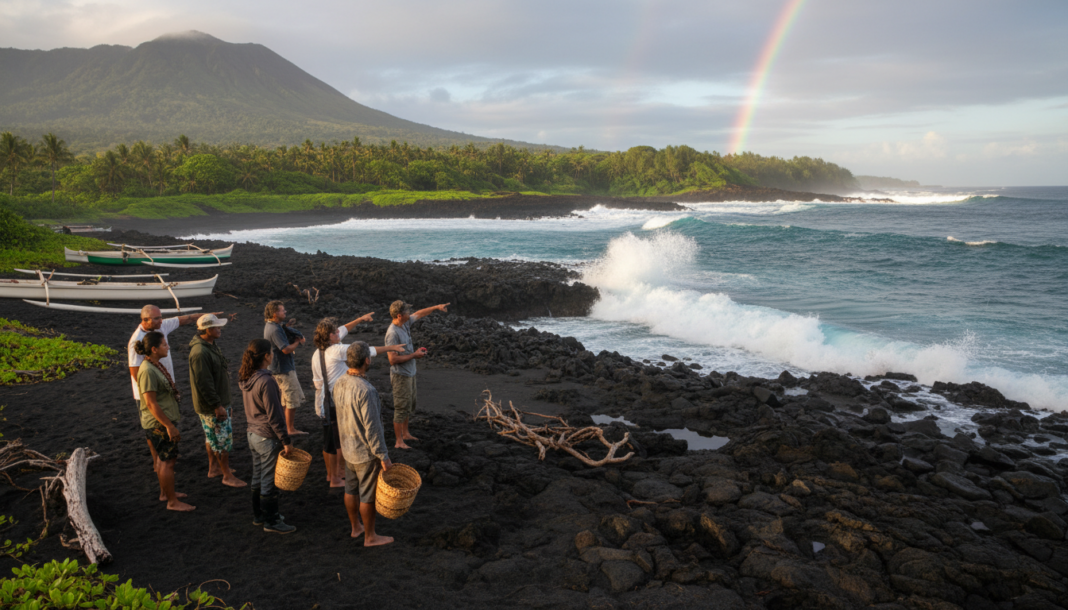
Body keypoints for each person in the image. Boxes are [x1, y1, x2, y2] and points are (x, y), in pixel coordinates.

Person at [311, 314, 405, 488]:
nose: (338, 332)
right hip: (335, 401)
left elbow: (343, 330)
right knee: (338, 441)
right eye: (334, 332)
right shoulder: (337, 351)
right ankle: (336, 478)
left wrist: (360, 319)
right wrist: (391, 347)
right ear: (328, 337)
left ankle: (331, 474)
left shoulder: (317, 353)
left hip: (322, 403)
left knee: (328, 440)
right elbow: (363, 351)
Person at [128, 305, 223, 471]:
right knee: (154, 428)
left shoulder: (161, 326)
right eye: (157, 318)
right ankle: (158, 461)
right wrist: (154, 392)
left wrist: (207, 315)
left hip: (165, 387)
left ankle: (165, 458)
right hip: (149, 392)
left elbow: (187, 318)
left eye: (160, 317)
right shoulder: (137, 340)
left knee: (167, 426)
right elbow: (135, 373)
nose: (161, 320)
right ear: (145, 320)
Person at [334, 341, 393, 546]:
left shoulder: (339, 382)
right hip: (364, 453)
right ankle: (370, 537)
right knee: (367, 495)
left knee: (350, 490)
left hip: (347, 448)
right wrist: (383, 456)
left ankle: (355, 528)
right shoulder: (366, 390)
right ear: (367, 360)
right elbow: (373, 429)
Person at [239, 338, 296, 534]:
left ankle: (259, 516)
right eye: (271, 352)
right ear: (266, 356)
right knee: (268, 479)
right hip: (266, 437)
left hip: (252, 434)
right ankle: (271, 521)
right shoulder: (267, 381)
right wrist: (285, 440)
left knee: (257, 475)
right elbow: (275, 415)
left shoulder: (247, 378)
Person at [135, 332, 194, 512]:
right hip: (159, 424)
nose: (168, 347)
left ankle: (167, 494)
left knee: (162, 460)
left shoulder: (153, 366)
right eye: (164, 344)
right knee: (168, 461)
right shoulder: (147, 370)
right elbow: (151, 403)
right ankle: (172, 502)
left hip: (160, 422)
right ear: (154, 349)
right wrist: (169, 426)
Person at [188, 313, 245, 488]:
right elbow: (204, 383)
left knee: (211, 438)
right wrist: (218, 406)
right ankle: (226, 475)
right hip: (212, 406)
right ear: (207, 329)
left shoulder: (209, 345)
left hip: (216, 403)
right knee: (223, 440)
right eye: (216, 327)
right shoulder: (200, 352)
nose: (220, 329)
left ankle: (214, 468)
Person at [385, 300, 449, 449]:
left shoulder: (405, 323)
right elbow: (392, 359)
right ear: (399, 315)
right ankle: (399, 442)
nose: (410, 314)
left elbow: (419, 313)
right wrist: (414, 355)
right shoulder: (392, 333)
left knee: (408, 405)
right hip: (401, 376)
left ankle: (406, 433)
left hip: (410, 373)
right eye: (407, 312)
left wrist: (436, 306)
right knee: (401, 408)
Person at [263, 300, 306, 436]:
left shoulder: (272, 326)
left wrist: (287, 326)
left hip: (277, 368)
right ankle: (290, 429)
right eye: (282, 310)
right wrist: (297, 342)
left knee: (283, 400)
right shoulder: (275, 329)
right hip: (283, 370)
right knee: (291, 399)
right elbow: (286, 349)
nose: (285, 312)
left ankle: (283, 426)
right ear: (275, 314)